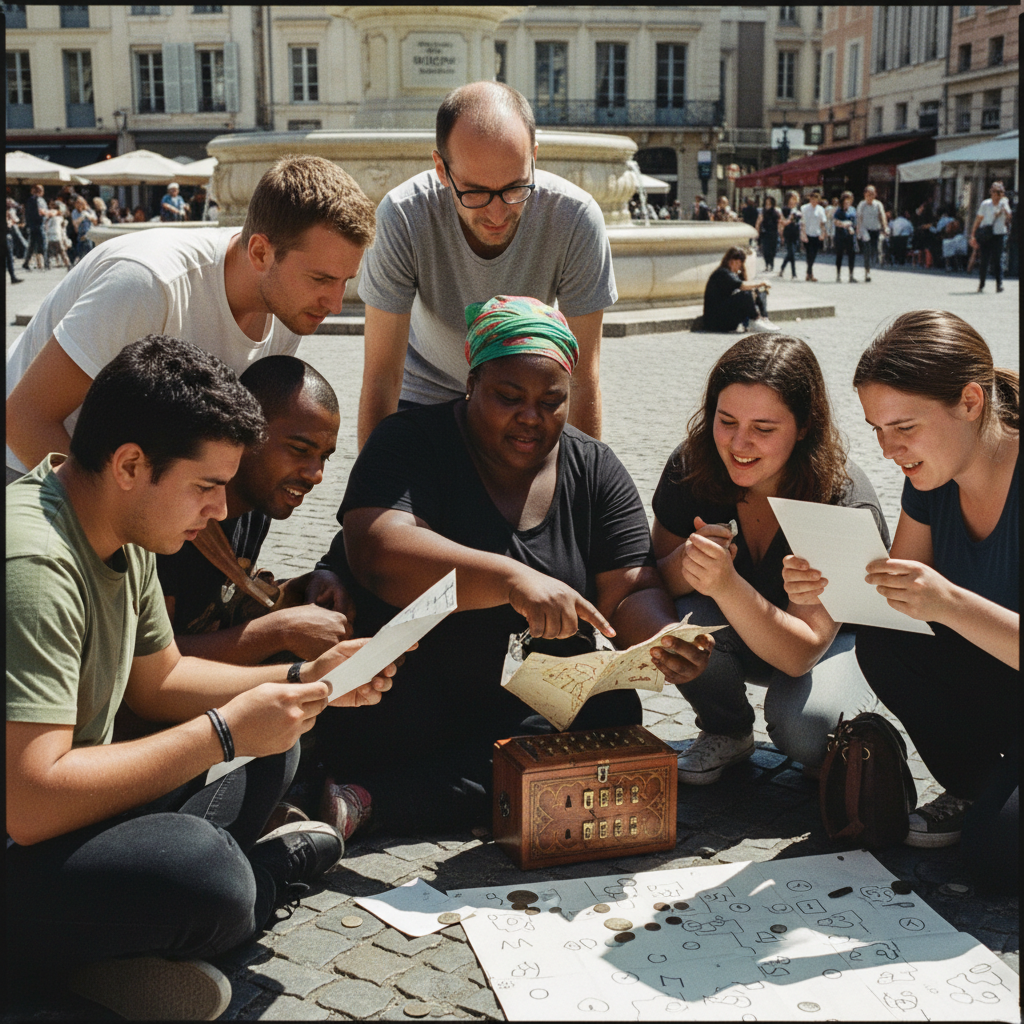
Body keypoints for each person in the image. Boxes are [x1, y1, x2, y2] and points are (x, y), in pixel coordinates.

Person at [6, 335, 398, 1020]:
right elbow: (32, 802)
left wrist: (306, 678)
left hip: (58, 820)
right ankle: (245, 887)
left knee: (278, 746)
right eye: (206, 487)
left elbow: (162, 679)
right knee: (207, 873)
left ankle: (114, 956)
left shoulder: (118, 526)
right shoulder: (35, 565)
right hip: (22, 840)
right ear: (131, 464)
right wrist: (222, 733)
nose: (220, 511)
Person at [313, 295, 714, 831]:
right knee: (413, 725)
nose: (532, 417)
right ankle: (374, 794)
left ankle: (368, 803)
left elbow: (628, 590)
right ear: (471, 382)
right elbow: (378, 549)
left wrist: (663, 641)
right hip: (413, 687)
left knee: (611, 714)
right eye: (509, 396)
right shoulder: (409, 441)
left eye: (552, 401)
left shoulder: (593, 467)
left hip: (526, 707)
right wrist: (512, 579)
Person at [785, 311, 1018, 891]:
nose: (890, 452)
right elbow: (895, 602)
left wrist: (950, 603)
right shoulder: (928, 478)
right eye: (876, 430)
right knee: (887, 639)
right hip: (1001, 684)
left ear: (970, 401)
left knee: (997, 856)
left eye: (905, 427)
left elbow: (942, 603)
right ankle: (972, 786)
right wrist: (825, 588)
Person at [6, 155, 376, 485]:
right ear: (260, 252)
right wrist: (116, 524)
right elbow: (23, 420)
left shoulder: (286, 307)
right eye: (321, 279)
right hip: (27, 469)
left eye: (345, 281)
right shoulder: (150, 284)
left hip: (135, 476)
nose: (336, 304)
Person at [654, 334, 891, 785]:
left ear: (803, 427)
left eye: (764, 429)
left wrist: (725, 583)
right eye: (726, 421)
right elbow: (651, 585)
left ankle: (849, 735)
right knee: (675, 621)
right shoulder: (693, 466)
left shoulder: (840, 501)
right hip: (741, 637)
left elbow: (800, 653)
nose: (739, 444)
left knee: (806, 730)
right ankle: (727, 728)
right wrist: (686, 560)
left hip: (837, 646)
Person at [357, 82, 615, 449]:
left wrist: (584, 490)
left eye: (515, 188)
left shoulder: (575, 217)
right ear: (441, 170)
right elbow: (382, 378)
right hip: (425, 395)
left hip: (525, 397)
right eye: (475, 192)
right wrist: (371, 491)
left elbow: (582, 380)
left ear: (534, 159)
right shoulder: (402, 215)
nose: (497, 212)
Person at [702, 247, 780, 334]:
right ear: (731, 261)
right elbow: (742, 286)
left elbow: (746, 285)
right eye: (739, 263)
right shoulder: (722, 273)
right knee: (746, 294)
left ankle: (764, 318)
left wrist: (757, 288)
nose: (740, 267)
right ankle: (755, 320)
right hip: (715, 321)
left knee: (760, 291)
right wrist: (760, 283)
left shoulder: (733, 274)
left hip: (725, 316)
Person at [970, 181, 1012, 293]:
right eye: (993, 191)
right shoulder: (985, 204)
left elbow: (1009, 216)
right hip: (986, 235)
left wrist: (1003, 209)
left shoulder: (1004, 203)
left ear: (1002, 193)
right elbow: (978, 219)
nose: (995, 194)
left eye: (998, 192)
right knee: (984, 260)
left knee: (997, 260)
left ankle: (999, 284)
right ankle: (981, 284)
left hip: (999, 234)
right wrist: (973, 234)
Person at [855, 184, 888, 282]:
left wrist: (885, 227)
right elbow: (859, 218)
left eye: (873, 194)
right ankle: (867, 272)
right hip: (865, 230)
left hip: (875, 229)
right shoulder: (862, 204)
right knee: (867, 251)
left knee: (874, 250)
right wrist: (858, 230)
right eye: (869, 194)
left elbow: (882, 215)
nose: (871, 196)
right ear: (865, 195)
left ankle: (871, 265)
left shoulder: (878, 204)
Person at [21, 183, 52, 272]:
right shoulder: (38, 200)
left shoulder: (30, 200)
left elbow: (28, 213)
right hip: (39, 224)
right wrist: (47, 214)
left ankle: (26, 263)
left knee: (31, 246)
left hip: (33, 225)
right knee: (44, 244)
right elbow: (41, 212)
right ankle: (46, 264)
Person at [799, 189, 827, 282]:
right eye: (812, 199)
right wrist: (803, 234)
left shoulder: (820, 209)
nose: (814, 201)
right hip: (807, 233)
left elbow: (822, 222)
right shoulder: (804, 208)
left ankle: (809, 273)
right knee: (809, 254)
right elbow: (802, 222)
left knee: (814, 254)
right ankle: (810, 274)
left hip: (816, 233)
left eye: (816, 199)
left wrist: (823, 233)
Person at [832, 190, 858, 283]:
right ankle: (838, 275)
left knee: (852, 255)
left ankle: (851, 275)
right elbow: (835, 221)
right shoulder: (839, 210)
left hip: (850, 236)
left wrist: (852, 227)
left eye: (850, 200)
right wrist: (843, 224)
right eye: (846, 200)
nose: (848, 202)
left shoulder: (853, 210)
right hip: (840, 235)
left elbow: (855, 221)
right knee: (839, 255)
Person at [778, 191, 802, 279]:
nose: (794, 200)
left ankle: (782, 268)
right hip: (788, 232)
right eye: (793, 198)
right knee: (791, 252)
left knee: (791, 253)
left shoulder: (797, 209)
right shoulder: (784, 209)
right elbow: (782, 222)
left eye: (796, 199)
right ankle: (794, 273)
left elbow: (799, 222)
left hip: (795, 232)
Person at [754, 195, 780, 273]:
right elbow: (758, 222)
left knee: (773, 249)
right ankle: (767, 264)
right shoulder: (763, 212)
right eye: (766, 203)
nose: (768, 204)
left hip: (774, 232)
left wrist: (780, 233)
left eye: (769, 203)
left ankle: (771, 263)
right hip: (765, 232)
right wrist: (757, 231)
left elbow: (779, 222)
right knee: (765, 250)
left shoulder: (776, 212)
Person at [44, 199, 72, 271]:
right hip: (56, 236)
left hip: (52, 235)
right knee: (62, 252)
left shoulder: (51, 218)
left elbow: (46, 226)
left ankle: (48, 264)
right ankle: (68, 264)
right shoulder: (60, 218)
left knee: (50, 252)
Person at [69, 196, 97, 265]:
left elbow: (95, 221)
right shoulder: (74, 212)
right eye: (77, 203)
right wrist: (82, 217)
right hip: (80, 233)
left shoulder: (90, 211)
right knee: (80, 252)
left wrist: (88, 216)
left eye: (81, 203)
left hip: (90, 233)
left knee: (90, 251)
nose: (79, 205)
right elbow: (75, 224)